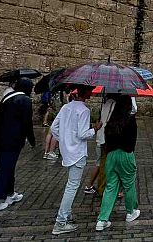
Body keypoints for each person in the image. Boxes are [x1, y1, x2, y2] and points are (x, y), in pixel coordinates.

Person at [51, 86, 101, 235]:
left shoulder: (66, 107)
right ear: (86, 93)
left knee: (71, 184)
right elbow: (82, 134)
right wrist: (95, 128)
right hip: (77, 153)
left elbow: (54, 128)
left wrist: (64, 140)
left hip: (67, 151)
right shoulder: (84, 110)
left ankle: (66, 215)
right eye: (90, 90)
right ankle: (60, 222)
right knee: (72, 186)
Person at [0, 78, 36, 213]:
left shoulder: (8, 97)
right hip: (12, 140)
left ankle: (10, 193)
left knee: (7, 167)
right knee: (5, 169)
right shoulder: (25, 100)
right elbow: (27, 123)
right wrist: (32, 140)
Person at [95, 95, 140, 231]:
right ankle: (131, 211)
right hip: (125, 154)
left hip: (111, 155)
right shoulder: (130, 120)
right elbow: (133, 141)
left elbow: (106, 140)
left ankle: (102, 219)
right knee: (129, 185)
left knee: (110, 187)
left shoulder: (111, 121)